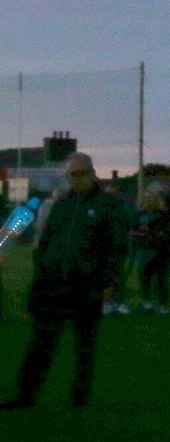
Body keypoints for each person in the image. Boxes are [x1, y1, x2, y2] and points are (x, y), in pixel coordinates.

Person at [0, 153, 127, 409]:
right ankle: (26, 394)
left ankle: (80, 396)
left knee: (85, 344)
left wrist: (109, 281)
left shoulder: (108, 205)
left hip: (86, 285)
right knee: (41, 342)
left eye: (82, 174)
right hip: (54, 283)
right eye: (73, 175)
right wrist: (41, 275)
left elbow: (115, 246)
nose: (77, 179)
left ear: (92, 173)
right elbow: (46, 243)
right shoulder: (62, 205)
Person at [133, 184, 170, 314]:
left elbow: (169, 233)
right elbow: (134, 230)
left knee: (160, 278)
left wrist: (154, 236)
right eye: (145, 197)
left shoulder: (163, 215)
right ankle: (147, 304)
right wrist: (139, 234)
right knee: (144, 277)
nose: (146, 200)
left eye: (149, 197)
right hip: (145, 251)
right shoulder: (140, 215)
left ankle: (162, 305)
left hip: (161, 252)